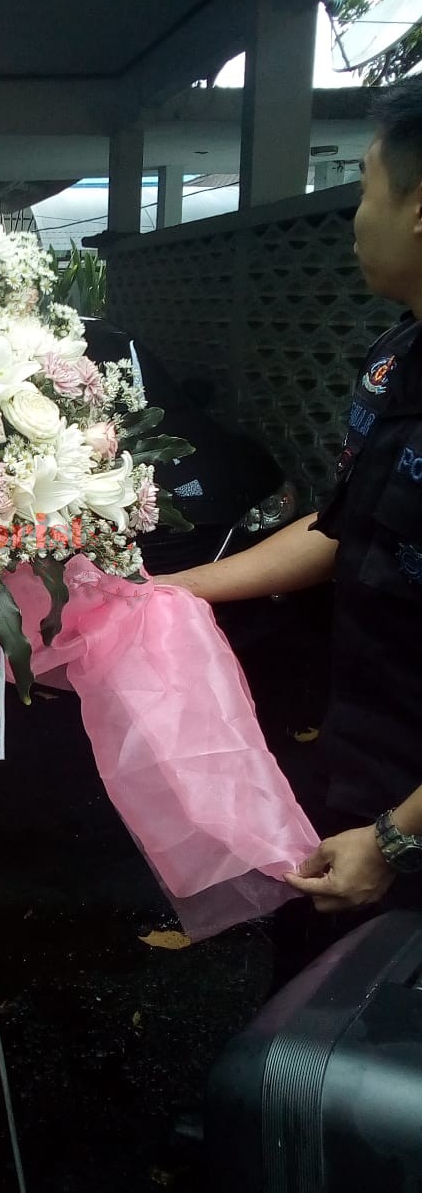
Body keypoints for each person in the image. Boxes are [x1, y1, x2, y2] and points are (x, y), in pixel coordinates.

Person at [157, 78, 422, 924]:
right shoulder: (396, 358)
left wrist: (398, 839)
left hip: (407, 820)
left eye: (366, 189)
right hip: (369, 747)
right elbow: (345, 527)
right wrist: (165, 592)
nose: (354, 219)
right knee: (314, 972)